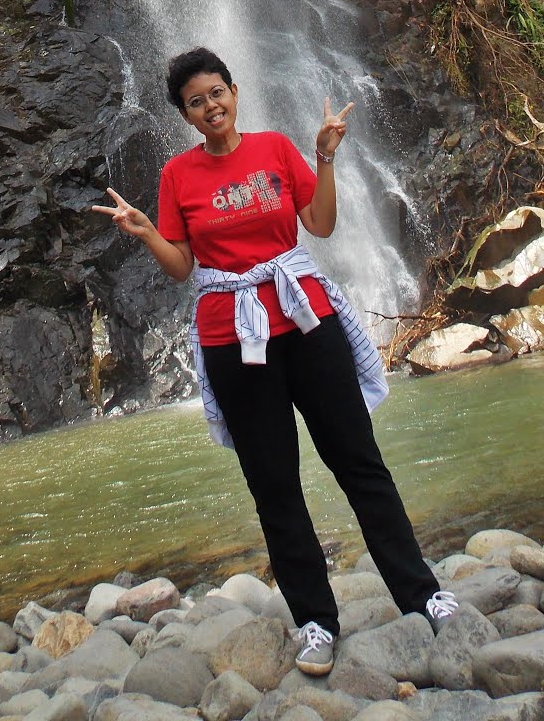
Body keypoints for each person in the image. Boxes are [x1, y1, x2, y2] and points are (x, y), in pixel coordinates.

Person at [93, 45, 456, 677]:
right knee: (275, 485)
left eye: (216, 93)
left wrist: (325, 155)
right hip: (231, 335)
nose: (210, 107)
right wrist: (147, 230)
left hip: (307, 321)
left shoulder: (278, 150)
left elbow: (320, 221)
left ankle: (422, 593)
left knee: (359, 460)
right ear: (186, 114)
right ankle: (315, 619)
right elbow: (183, 266)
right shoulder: (178, 176)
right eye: (195, 102)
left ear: (235, 91)